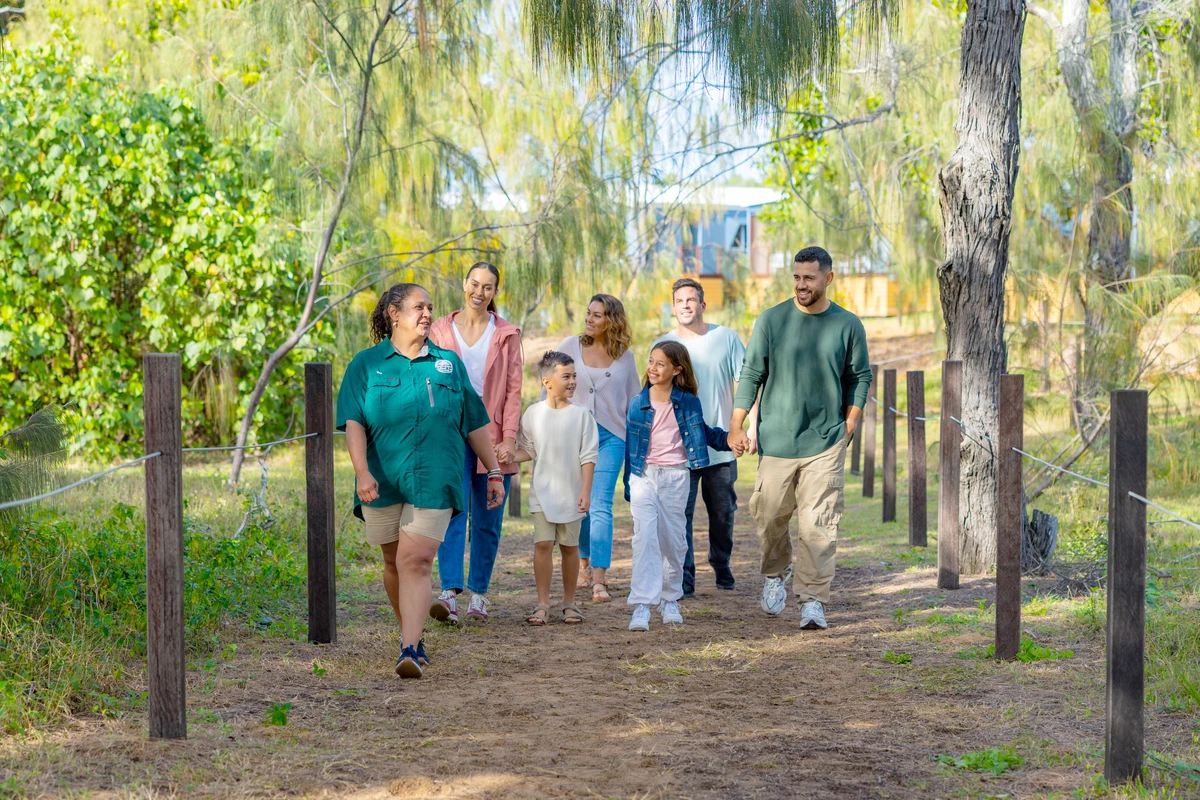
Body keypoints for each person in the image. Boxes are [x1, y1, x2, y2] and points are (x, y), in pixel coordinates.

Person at [337, 283, 504, 679]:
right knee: (393, 562)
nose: (428, 313)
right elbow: (354, 423)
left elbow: (475, 421)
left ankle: (408, 649)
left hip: (435, 478)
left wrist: (493, 470)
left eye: (431, 307)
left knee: (415, 560)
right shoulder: (366, 365)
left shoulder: (447, 364)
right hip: (382, 479)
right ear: (394, 314)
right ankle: (411, 634)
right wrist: (362, 472)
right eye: (418, 307)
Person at [728, 246, 872, 630]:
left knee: (819, 523)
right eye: (796, 277)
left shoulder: (847, 324)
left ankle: (812, 600)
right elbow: (750, 374)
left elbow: (859, 377)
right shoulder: (772, 321)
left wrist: (851, 420)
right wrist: (737, 423)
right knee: (770, 514)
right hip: (776, 439)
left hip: (826, 441)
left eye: (809, 277)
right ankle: (775, 574)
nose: (801, 284)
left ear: (828, 278)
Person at [427, 262, 523, 625]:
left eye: (488, 287)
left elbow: (514, 391)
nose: (479, 292)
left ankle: (479, 593)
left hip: (493, 438)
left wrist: (510, 438)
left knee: (487, 518)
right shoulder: (439, 330)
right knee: (453, 512)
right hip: (450, 437)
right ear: (463, 285)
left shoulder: (507, 334)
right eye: (474, 284)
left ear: (495, 292)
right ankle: (449, 593)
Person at [624, 342, 739, 631]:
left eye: (660, 363)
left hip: (676, 477)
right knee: (644, 538)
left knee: (673, 541)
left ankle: (670, 599)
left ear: (677, 369)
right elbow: (631, 447)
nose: (652, 367)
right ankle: (641, 605)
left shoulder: (688, 402)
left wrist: (730, 439)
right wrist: (629, 482)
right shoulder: (639, 403)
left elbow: (704, 432)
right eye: (651, 361)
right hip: (645, 476)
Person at [655, 277, 751, 595]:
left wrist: (745, 427)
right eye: (680, 300)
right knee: (679, 515)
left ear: (702, 305)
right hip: (678, 450)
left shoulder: (726, 338)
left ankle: (721, 562)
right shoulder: (665, 345)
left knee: (723, 513)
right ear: (673, 307)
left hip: (720, 446)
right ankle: (685, 578)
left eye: (691, 300)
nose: (685, 305)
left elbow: (748, 383)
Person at [554, 294, 640, 603]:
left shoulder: (625, 357)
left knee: (601, 503)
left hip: (611, 437)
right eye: (588, 313)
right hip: (574, 435)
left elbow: (634, 401)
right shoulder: (569, 346)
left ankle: (599, 580)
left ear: (611, 320)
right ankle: (584, 563)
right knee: (581, 503)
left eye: (597, 315)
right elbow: (549, 387)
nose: (590, 319)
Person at [505, 351, 599, 626]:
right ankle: (542, 604)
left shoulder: (582, 416)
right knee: (543, 545)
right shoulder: (533, 413)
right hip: (542, 493)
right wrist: (510, 455)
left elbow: (589, 456)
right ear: (547, 381)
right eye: (566, 376)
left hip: (572, 494)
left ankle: (569, 603)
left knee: (570, 548)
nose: (572, 382)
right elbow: (530, 450)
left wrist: (586, 491)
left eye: (574, 377)